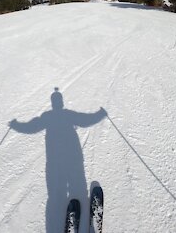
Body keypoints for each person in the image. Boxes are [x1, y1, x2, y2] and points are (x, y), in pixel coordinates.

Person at [9, 88, 106, 232]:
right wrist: (100, 114)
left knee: (57, 190)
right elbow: (85, 120)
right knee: (78, 186)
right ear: (60, 102)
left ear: (53, 103)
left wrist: (16, 125)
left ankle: (64, 217)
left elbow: (32, 126)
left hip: (55, 160)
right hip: (74, 158)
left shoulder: (47, 117)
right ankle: (83, 217)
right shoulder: (68, 114)